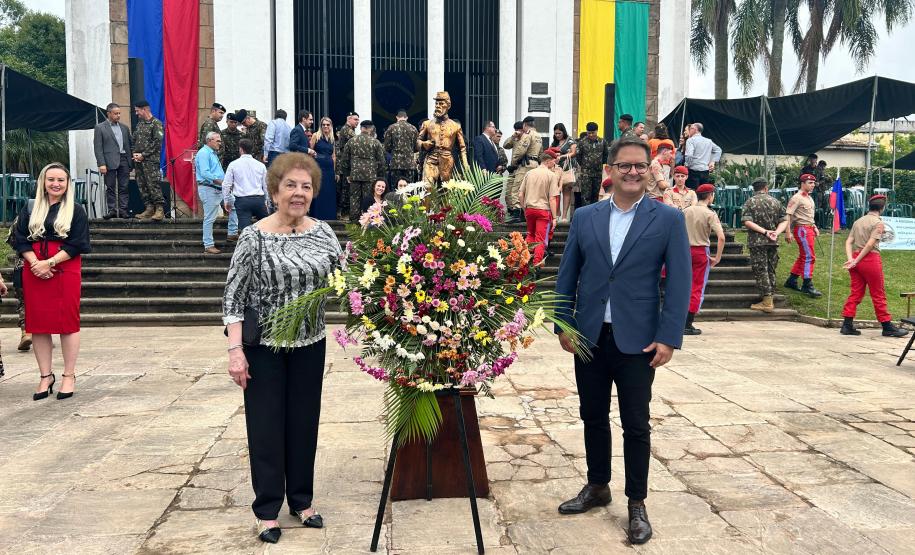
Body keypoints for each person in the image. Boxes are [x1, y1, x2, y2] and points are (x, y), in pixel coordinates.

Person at [553, 137, 690, 546]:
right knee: (592, 415)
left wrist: (668, 337)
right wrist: (564, 324)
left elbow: (679, 282)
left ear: (650, 170)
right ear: (609, 170)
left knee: (636, 423)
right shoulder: (586, 217)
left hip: (639, 341)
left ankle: (636, 502)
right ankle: (597, 485)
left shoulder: (668, 219)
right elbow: (567, 275)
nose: (633, 172)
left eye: (640, 166)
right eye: (625, 165)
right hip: (590, 337)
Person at [223, 152, 342, 544]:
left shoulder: (324, 233)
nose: (298, 193)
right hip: (265, 347)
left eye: (306, 186)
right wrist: (235, 351)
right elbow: (233, 298)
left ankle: (302, 501)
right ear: (274, 191)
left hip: (310, 343)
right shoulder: (253, 237)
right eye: (290, 185)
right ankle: (267, 509)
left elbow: (346, 277)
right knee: (266, 427)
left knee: (304, 423)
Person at [13, 163, 91, 401]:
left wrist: (50, 263)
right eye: (51, 179)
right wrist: (36, 263)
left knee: (68, 322)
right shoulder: (31, 207)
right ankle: (45, 376)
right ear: (43, 182)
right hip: (34, 267)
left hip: (65, 267)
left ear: (67, 184)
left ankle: (69, 375)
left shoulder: (76, 210)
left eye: (61, 180)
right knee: (38, 324)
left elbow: (78, 242)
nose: (56, 184)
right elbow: (19, 238)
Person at [840, 194, 910, 338]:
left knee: (856, 292)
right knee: (878, 293)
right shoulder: (878, 223)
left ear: (870, 206)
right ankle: (887, 326)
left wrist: (852, 259)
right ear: (882, 208)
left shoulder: (858, 221)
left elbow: (848, 241)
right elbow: (870, 244)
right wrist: (857, 260)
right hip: (870, 259)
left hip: (855, 257)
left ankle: (847, 324)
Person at [741, 177, 788, 313]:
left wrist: (765, 232)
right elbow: (784, 220)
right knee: (771, 269)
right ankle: (770, 296)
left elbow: (747, 222)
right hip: (773, 241)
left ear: (754, 189)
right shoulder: (776, 202)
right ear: (766, 188)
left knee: (761, 269)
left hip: (757, 241)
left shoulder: (750, 202)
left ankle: (767, 301)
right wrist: (776, 232)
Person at [683, 184, 724, 335]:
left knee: (682, 285)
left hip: (684, 250)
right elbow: (721, 237)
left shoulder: (685, 211)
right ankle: (687, 324)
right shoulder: (710, 214)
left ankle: (678, 320)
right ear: (710, 196)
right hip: (700, 251)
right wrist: (717, 257)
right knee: (697, 287)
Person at [195, 132, 238, 253]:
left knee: (234, 205)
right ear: (209, 141)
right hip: (209, 188)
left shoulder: (212, 153)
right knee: (209, 218)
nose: (220, 143)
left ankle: (232, 233)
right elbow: (205, 173)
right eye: (218, 141)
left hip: (219, 188)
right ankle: (208, 245)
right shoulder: (204, 153)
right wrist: (221, 182)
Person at [418, 91, 469, 184]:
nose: (438, 106)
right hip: (431, 159)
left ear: (448, 106)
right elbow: (418, 141)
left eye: (441, 103)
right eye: (436, 103)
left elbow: (462, 148)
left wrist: (465, 163)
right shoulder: (427, 124)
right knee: (428, 187)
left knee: (445, 189)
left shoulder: (455, 126)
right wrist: (423, 144)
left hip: (447, 160)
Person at [338, 120, 385, 221]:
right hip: (370, 175)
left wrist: (347, 174)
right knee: (368, 198)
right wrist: (379, 175)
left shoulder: (351, 141)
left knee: (354, 198)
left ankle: (354, 222)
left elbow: (344, 160)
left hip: (354, 175)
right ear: (371, 129)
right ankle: (367, 221)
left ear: (361, 128)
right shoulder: (375, 142)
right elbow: (382, 161)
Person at [784, 173, 823, 298]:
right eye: (810, 183)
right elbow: (788, 215)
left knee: (804, 256)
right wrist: (788, 232)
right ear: (802, 183)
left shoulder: (809, 198)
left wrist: (814, 226)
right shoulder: (797, 198)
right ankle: (807, 284)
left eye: (813, 183)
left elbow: (809, 215)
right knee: (809, 257)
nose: (813, 185)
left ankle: (792, 280)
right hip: (802, 230)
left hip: (808, 228)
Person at [519, 151, 561, 266]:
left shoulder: (529, 173)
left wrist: (524, 208)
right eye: (553, 161)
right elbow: (552, 198)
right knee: (540, 239)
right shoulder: (551, 175)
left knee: (530, 235)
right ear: (548, 161)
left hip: (529, 209)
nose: (554, 163)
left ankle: (522, 261)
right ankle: (536, 264)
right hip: (543, 210)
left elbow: (520, 194)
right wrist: (554, 217)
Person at [93, 102, 132, 219]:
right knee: (110, 187)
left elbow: (130, 144)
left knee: (124, 186)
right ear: (108, 113)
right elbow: (98, 147)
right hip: (108, 161)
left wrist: (131, 160)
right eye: (116, 113)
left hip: (124, 159)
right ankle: (112, 210)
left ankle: (123, 210)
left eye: (119, 113)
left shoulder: (124, 128)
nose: (118, 116)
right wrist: (101, 163)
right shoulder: (100, 127)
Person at [223, 138, 269, 233]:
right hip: (258, 199)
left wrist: (227, 200)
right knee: (266, 229)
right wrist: (266, 200)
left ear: (241, 149)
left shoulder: (233, 164)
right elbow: (266, 185)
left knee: (245, 231)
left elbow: (226, 185)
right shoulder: (261, 165)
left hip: (242, 200)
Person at [131, 100, 166, 221]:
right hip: (139, 161)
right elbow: (134, 139)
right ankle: (149, 208)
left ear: (144, 109)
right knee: (142, 185)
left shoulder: (156, 123)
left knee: (153, 184)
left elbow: (157, 143)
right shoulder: (140, 124)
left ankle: (159, 209)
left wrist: (143, 155)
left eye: (137, 111)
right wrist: (134, 153)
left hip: (150, 161)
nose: (136, 113)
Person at [5, 224, 30, 351]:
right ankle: (44, 333)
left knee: (23, 301)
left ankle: (26, 332)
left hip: (21, 266)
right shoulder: (50, 217)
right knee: (43, 301)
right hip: (44, 264)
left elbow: (12, 240)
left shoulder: (20, 220)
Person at [308, 116, 338, 221]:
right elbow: (310, 152)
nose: (325, 126)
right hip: (318, 168)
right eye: (323, 124)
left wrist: (334, 171)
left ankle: (329, 216)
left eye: (327, 125)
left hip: (329, 170)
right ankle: (317, 216)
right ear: (321, 126)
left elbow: (333, 156)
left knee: (328, 192)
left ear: (331, 126)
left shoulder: (332, 138)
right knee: (319, 191)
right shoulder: (316, 136)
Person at [577, 122, 609, 206]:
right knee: (585, 195)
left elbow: (606, 155)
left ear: (597, 131)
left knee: (596, 195)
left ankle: (594, 211)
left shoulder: (602, 142)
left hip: (598, 173)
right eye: (589, 133)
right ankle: (586, 212)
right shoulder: (582, 142)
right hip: (586, 173)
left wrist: (599, 165)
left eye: (593, 133)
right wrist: (584, 165)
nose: (591, 135)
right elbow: (578, 156)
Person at [551, 123, 577, 222]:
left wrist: (561, 156)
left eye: (559, 133)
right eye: (556, 133)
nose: (557, 135)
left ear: (563, 132)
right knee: (556, 192)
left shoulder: (570, 140)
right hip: (556, 169)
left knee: (566, 191)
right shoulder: (554, 142)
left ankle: (564, 216)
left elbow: (574, 153)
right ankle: (557, 214)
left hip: (566, 169)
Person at [384, 109, 420, 183]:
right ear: (406, 117)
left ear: (397, 117)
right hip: (409, 164)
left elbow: (386, 147)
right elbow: (417, 147)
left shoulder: (391, 128)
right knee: (409, 186)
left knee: (396, 186)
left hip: (396, 164)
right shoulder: (413, 128)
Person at [683, 123, 721, 190]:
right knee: (703, 193)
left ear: (695, 129)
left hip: (693, 171)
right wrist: (713, 162)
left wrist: (686, 165)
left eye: (690, 128)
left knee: (692, 193)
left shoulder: (690, 140)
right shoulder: (708, 141)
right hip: (705, 172)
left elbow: (689, 155)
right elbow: (718, 150)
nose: (689, 130)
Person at [336, 111, 360, 218]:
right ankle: (344, 214)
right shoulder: (347, 130)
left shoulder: (349, 130)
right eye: (355, 119)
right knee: (346, 190)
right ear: (348, 119)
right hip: (346, 166)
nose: (357, 122)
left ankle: (344, 213)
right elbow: (358, 142)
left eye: (358, 120)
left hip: (348, 164)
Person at [501, 121, 524, 222]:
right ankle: (511, 212)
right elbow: (505, 145)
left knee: (517, 192)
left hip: (522, 169)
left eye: (519, 130)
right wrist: (513, 136)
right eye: (516, 130)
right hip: (513, 169)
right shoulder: (514, 138)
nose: (518, 131)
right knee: (508, 193)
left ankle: (519, 213)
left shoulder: (527, 139)